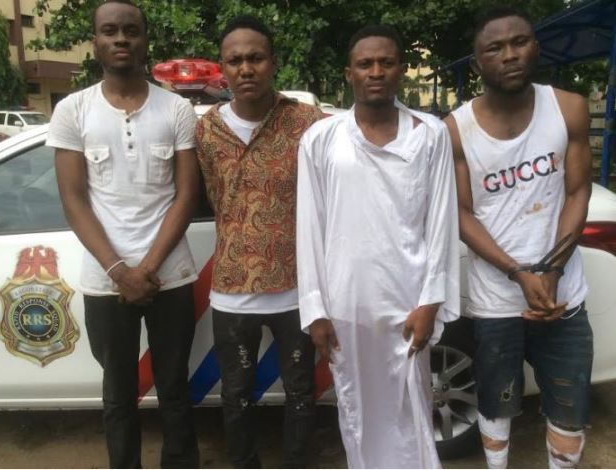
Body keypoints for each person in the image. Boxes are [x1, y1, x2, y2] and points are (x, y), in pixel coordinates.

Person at [296, 25, 460, 468]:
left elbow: (441, 223)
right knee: (356, 407)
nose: (375, 72)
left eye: (386, 63)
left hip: (409, 299)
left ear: (401, 70)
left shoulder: (429, 134)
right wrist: (315, 310)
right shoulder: (321, 139)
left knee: (411, 405)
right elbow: (309, 227)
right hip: (345, 302)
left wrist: (431, 301)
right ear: (348, 73)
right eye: (365, 64)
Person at [47, 0, 200, 467]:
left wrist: (145, 270)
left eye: (131, 31)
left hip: (169, 275)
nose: (121, 39)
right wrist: (120, 271)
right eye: (110, 31)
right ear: (95, 41)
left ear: (145, 39)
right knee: (117, 393)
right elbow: (74, 200)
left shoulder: (176, 109)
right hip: (105, 280)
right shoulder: (73, 111)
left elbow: (187, 195)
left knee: (174, 388)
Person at [444, 6, 593, 469]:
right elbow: (461, 213)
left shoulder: (568, 108)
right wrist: (518, 272)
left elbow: (578, 191)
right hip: (496, 302)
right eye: (495, 48)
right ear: (477, 63)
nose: (510, 55)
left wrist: (551, 271)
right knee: (495, 407)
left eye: (520, 42)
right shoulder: (456, 129)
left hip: (563, 296)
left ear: (536, 48)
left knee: (569, 412)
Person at [195, 15, 323, 469]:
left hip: (296, 287)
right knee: (236, 393)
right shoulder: (206, 130)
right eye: (235, 60)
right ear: (223, 67)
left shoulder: (308, 123)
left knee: (301, 390)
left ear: (273, 62)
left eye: (256, 58)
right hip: (233, 291)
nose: (246, 68)